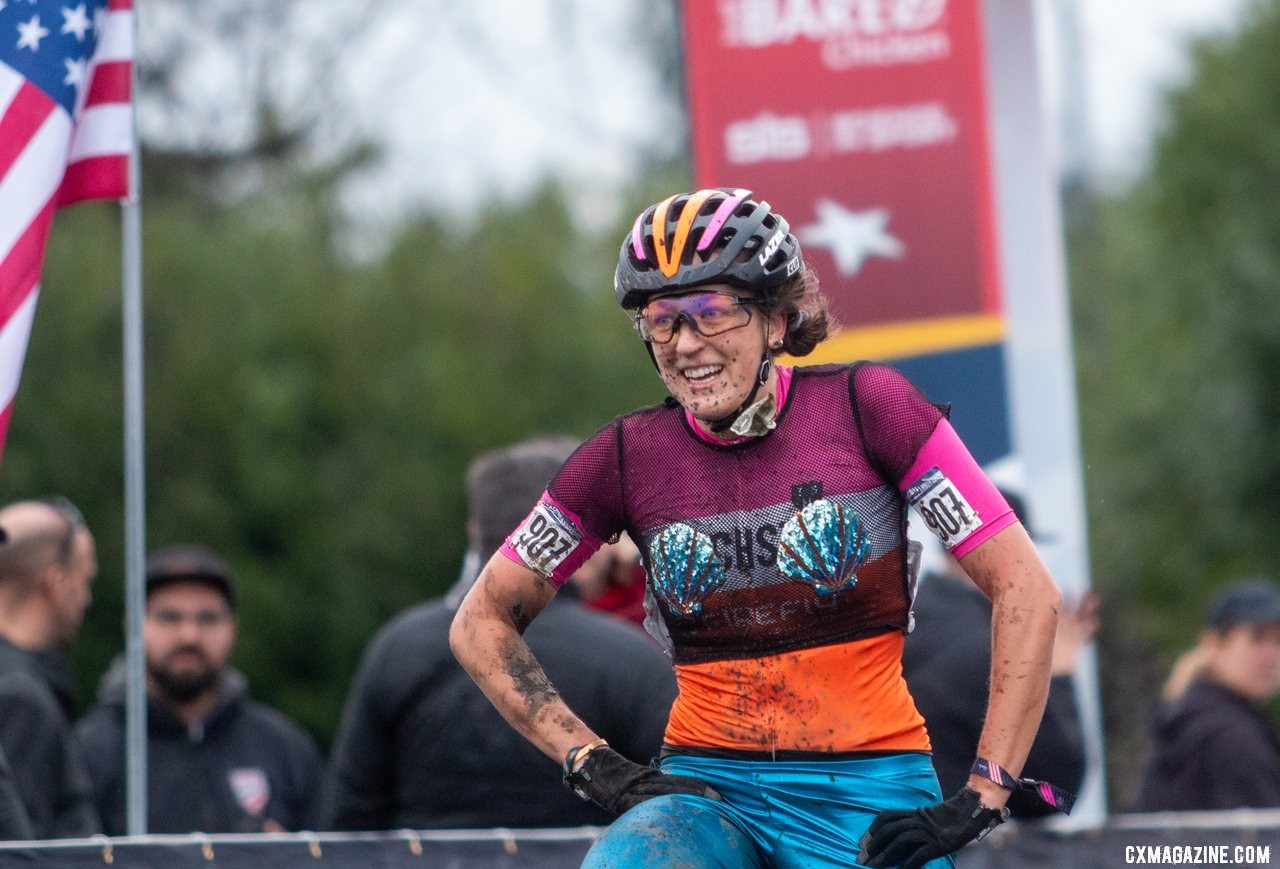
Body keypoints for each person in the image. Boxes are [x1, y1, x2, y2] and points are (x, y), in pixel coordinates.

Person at [449, 188, 1069, 869]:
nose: (686, 345)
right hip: (707, 794)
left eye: (712, 312)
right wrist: (589, 759)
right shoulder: (625, 456)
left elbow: (1025, 587)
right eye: (662, 320)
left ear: (777, 320)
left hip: (865, 789)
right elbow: (479, 622)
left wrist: (988, 787)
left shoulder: (871, 409)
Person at [321, 437, 678, 830]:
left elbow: (349, 820)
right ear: (577, 537)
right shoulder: (629, 658)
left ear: (476, 532)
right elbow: (681, 807)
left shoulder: (398, 648)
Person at [76, 544, 324, 834]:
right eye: (170, 617)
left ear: (233, 626)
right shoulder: (88, 753)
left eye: (208, 618)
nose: (190, 635)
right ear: (132, 625)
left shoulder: (286, 750)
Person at [902, 489, 1096, 819]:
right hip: (946, 848)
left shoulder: (903, 622)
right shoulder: (996, 645)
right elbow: (1055, 793)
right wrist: (1060, 673)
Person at [1128, 577, 1280, 812]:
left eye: (1278, 639)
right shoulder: (1229, 734)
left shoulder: (1189, 713)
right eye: (1256, 638)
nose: (1271, 655)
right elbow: (1266, 842)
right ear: (1213, 644)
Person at [0, 497, 100, 838]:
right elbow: (20, 852)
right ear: (56, 582)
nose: (86, 598)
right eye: (84, 580)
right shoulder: (20, 698)